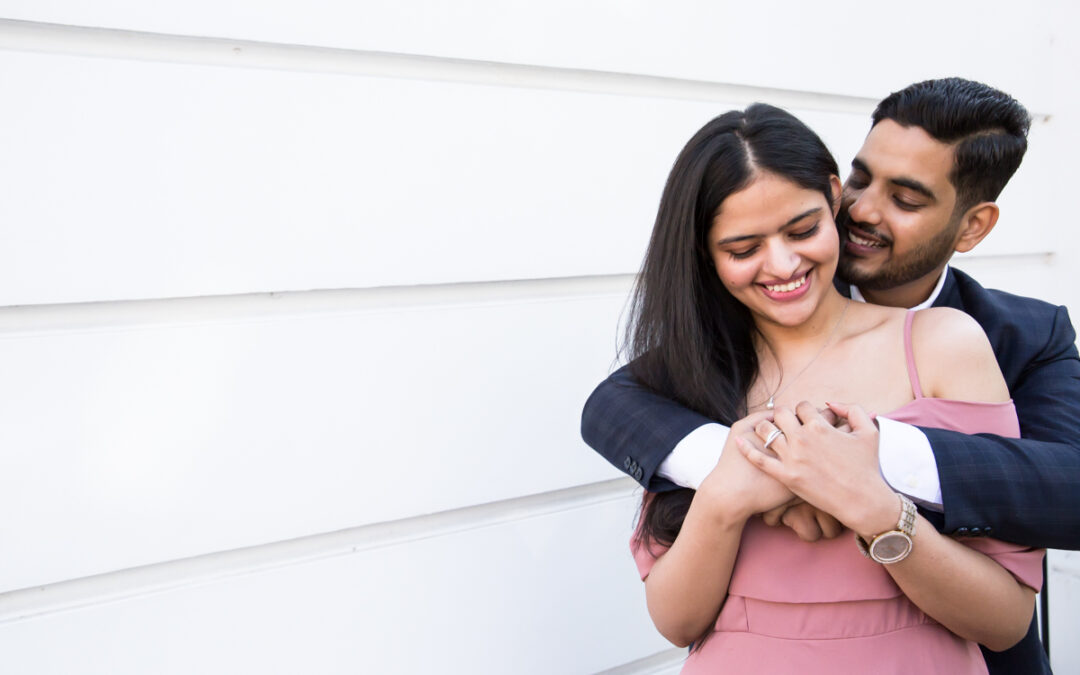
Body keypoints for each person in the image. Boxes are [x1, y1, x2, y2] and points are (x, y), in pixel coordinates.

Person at [582, 78, 1079, 673]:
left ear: (971, 226)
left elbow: (1063, 491)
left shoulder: (1000, 338)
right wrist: (744, 472)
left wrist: (854, 471)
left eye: (907, 198)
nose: (864, 211)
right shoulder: (710, 357)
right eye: (864, 180)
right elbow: (614, 406)